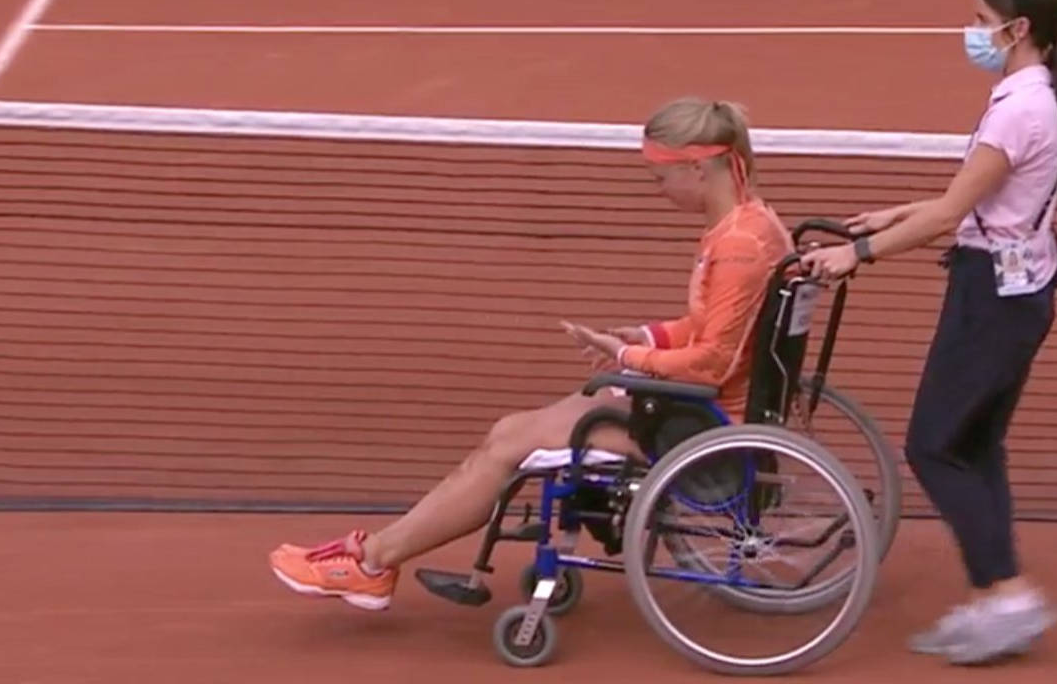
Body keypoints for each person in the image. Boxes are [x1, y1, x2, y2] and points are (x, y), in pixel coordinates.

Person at [270, 97, 792, 611]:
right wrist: (644, 336)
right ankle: (376, 559)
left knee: (508, 446)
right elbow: (714, 331)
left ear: (698, 167)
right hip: (695, 405)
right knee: (507, 432)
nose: (657, 189)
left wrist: (629, 359)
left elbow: (712, 362)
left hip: (698, 421)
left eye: (660, 177)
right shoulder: (753, 225)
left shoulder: (738, 247)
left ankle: (373, 563)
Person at [802, 0, 1057, 665]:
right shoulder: (1033, 94)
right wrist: (895, 212)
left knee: (933, 444)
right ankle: (997, 597)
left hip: (991, 297)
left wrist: (856, 255)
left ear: (1018, 30)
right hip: (1016, 290)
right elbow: (977, 200)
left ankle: (1007, 590)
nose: (972, 33)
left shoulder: (1020, 108)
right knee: (975, 444)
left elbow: (955, 213)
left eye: (983, 23)